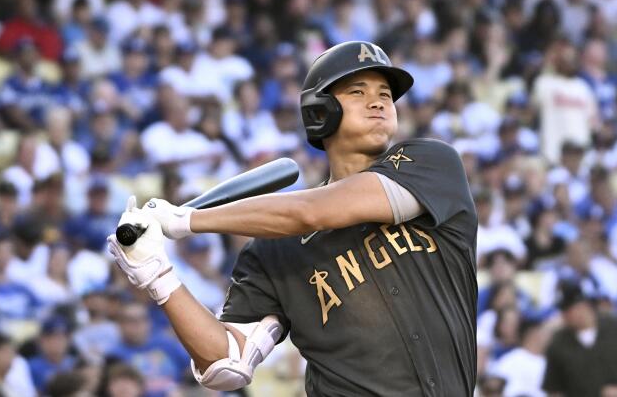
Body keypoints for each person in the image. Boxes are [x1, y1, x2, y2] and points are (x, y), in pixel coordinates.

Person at [109, 40, 477, 395]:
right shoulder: (275, 249)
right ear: (320, 111)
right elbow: (226, 363)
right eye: (357, 92)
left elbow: (313, 211)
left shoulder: (431, 164)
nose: (378, 102)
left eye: (385, 94)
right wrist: (157, 275)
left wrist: (187, 220)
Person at [542, 279, 617, 396]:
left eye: (567, 310)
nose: (564, 316)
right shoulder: (558, 343)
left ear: (582, 306)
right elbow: (554, 389)